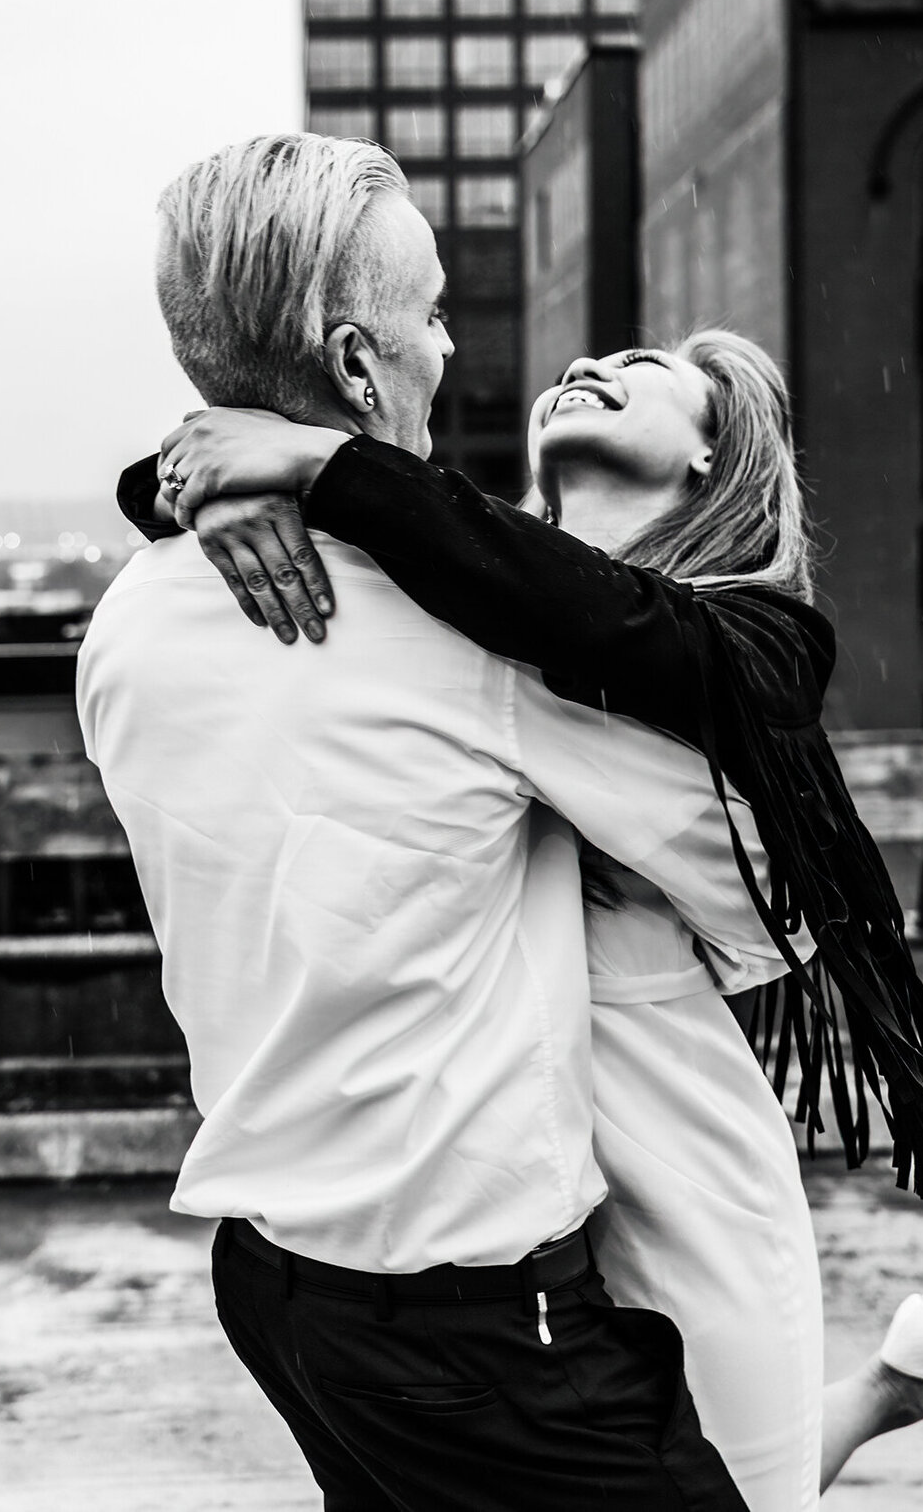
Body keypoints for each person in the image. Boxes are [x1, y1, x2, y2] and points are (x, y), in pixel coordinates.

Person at [137, 317, 923, 1505]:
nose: (590, 367)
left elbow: (616, 654)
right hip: (494, 1125)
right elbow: (486, 583)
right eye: (592, 363)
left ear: (709, 464)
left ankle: (889, 1383)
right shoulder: (461, 579)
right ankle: (898, 1377)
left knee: (746, 1479)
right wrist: (203, 489)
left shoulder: (740, 636)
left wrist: (310, 468)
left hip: (656, 1106)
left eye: (643, 375)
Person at [78, 133, 762, 1510]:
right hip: (478, 1327)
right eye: (434, 314)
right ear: (353, 362)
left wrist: (201, 493)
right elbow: (758, 884)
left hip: (277, 1282)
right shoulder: (465, 639)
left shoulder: (129, 616)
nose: (450, 351)